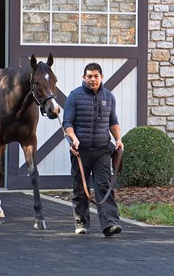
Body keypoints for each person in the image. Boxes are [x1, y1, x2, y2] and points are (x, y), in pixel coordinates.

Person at [63, 62, 124, 237]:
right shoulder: (74, 96)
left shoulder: (109, 97)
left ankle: (110, 223)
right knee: (80, 189)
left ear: (101, 77)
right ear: (84, 78)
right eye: (89, 76)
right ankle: (81, 223)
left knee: (104, 186)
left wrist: (118, 139)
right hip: (80, 152)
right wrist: (73, 139)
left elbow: (113, 121)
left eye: (96, 76)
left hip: (102, 150)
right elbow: (67, 123)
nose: (92, 79)